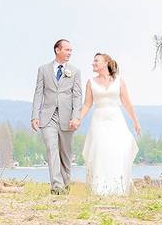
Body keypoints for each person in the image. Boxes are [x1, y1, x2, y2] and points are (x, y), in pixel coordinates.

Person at [78, 52, 142, 195]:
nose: (93, 63)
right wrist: (78, 119)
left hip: (116, 119)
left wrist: (136, 122)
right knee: (99, 150)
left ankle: (118, 187)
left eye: (96, 61)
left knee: (117, 150)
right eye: (93, 61)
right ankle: (99, 188)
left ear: (106, 62)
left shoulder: (119, 81)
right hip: (98, 119)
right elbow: (87, 104)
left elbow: (127, 103)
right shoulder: (90, 82)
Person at [31, 39, 82, 195]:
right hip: (48, 117)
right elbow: (38, 93)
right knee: (51, 148)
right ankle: (57, 186)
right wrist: (35, 115)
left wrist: (76, 117)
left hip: (67, 117)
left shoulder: (75, 71)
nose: (69, 53)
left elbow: (77, 96)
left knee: (65, 153)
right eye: (67, 50)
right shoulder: (43, 70)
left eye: (71, 51)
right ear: (57, 50)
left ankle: (66, 183)